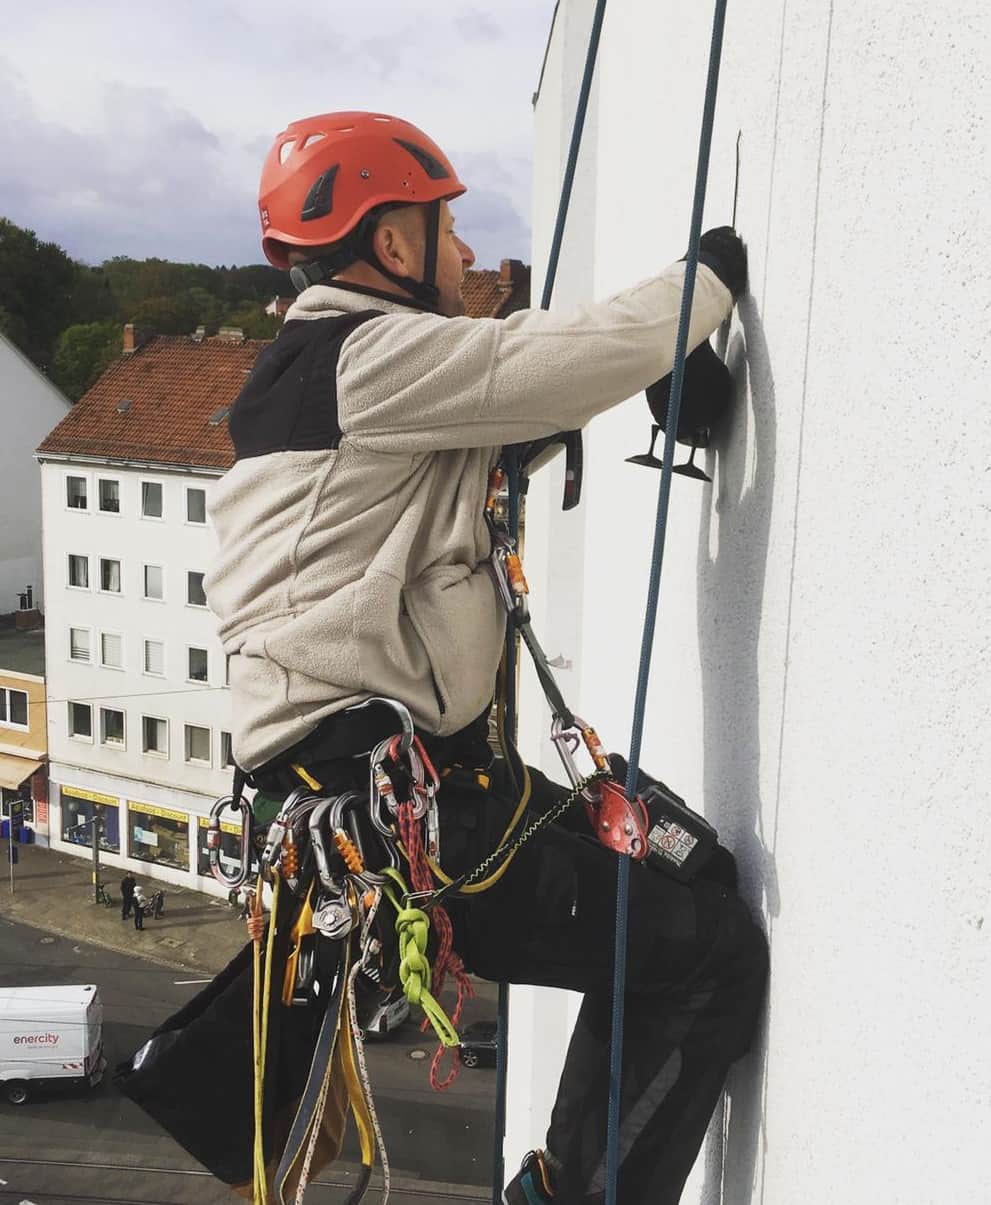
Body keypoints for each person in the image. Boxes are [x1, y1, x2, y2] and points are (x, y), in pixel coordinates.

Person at [205, 111, 767, 1205]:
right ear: (394, 247)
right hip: (404, 811)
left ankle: (566, 1175)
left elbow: (500, 415)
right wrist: (705, 287)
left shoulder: (335, 376)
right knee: (705, 950)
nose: (464, 254)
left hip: (413, 796)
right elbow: (537, 365)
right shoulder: (363, 359)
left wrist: (654, 372)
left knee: (683, 870)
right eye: (446, 228)